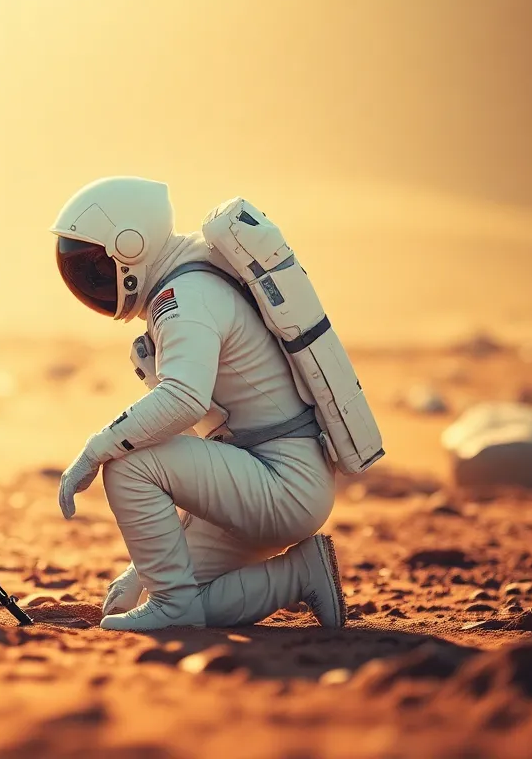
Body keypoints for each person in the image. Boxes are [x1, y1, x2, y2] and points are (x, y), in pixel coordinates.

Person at [50, 176, 348, 632]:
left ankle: (171, 604)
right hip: (271, 474)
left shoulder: (184, 298)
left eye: (96, 268)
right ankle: (300, 573)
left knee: (128, 464)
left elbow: (185, 402)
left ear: (130, 248)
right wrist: (141, 571)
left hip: (281, 483)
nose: (93, 283)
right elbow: (196, 452)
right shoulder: (189, 286)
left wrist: (95, 451)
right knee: (186, 600)